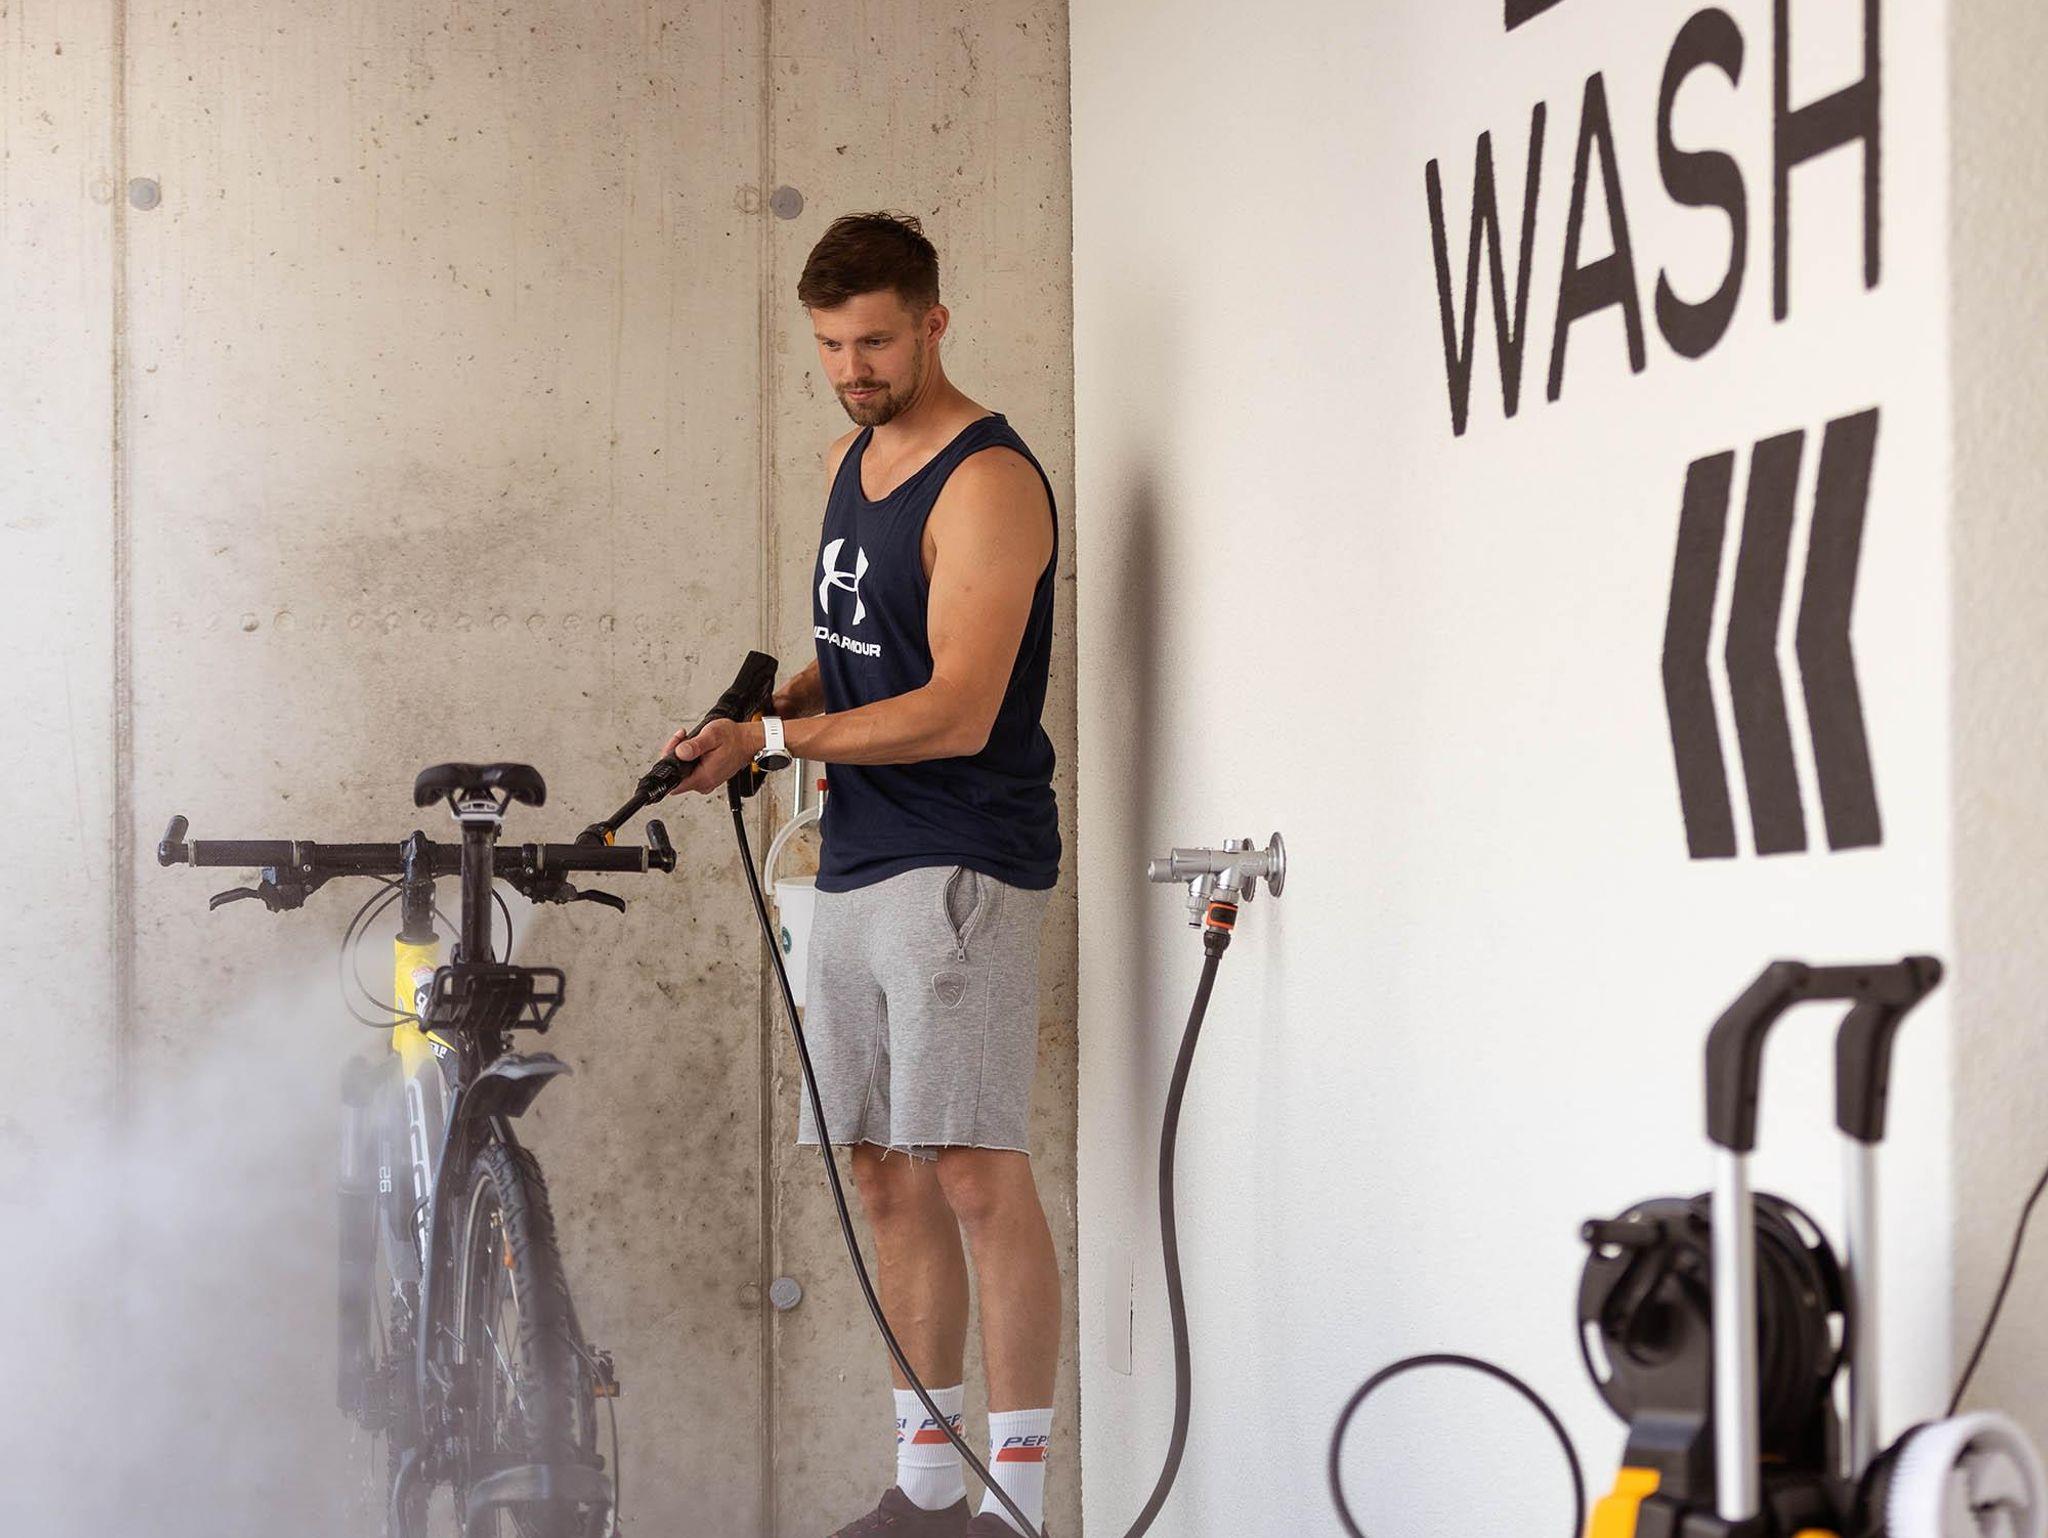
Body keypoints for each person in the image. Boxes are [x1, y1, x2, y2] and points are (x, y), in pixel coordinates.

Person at [666, 211, 1062, 1538]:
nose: (853, 369)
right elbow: (868, 651)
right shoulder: (854, 457)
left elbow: (956, 706)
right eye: (832, 346)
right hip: (853, 854)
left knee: (973, 1170)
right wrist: (767, 711)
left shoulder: (989, 482)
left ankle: (1017, 1507)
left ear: (934, 323)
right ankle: (929, 1491)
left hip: (963, 860)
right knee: (883, 1172)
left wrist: (777, 744)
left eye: (877, 342)